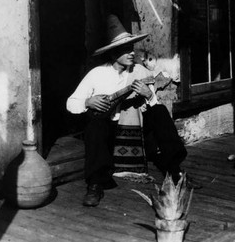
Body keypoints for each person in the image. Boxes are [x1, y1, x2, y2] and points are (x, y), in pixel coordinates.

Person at [67, 14, 199, 207]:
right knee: (95, 126)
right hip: (109, 129)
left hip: (137, 128)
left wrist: (149, 95)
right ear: (113, 54)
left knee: (160, 112)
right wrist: (88, 102)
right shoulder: (96, 75)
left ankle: (176, 170)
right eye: (125, 49)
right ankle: (95, 184)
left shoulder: (140, 71)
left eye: (131, 48)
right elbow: (71, 103)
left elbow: (153, 102)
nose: (131, 53)